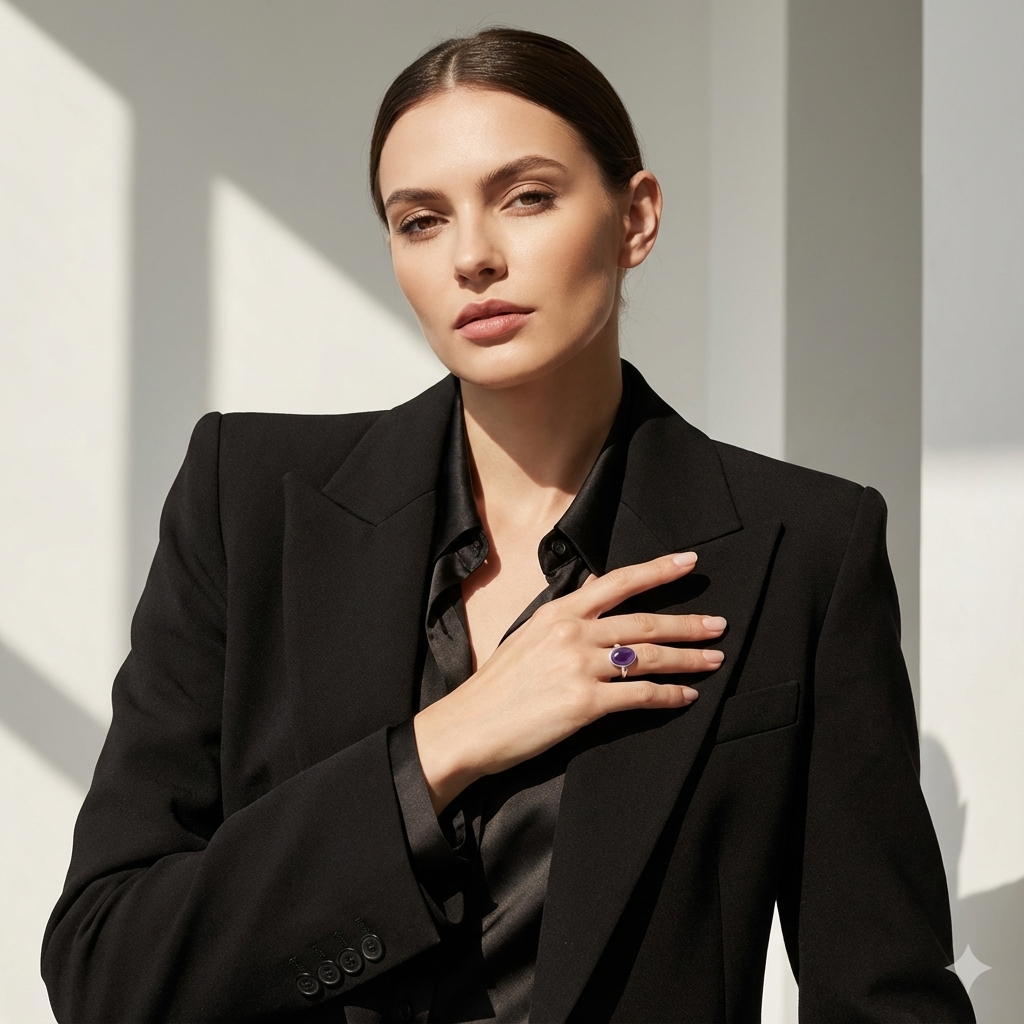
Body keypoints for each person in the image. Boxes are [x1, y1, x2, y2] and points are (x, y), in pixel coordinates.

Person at [42, 28, 973, 1024]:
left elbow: (883, 998)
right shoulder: (249, 502)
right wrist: (450, 740)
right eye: (420, 220)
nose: (473, 257)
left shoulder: (799, 547)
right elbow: (107, 967)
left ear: (636, 218)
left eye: (525, 196)